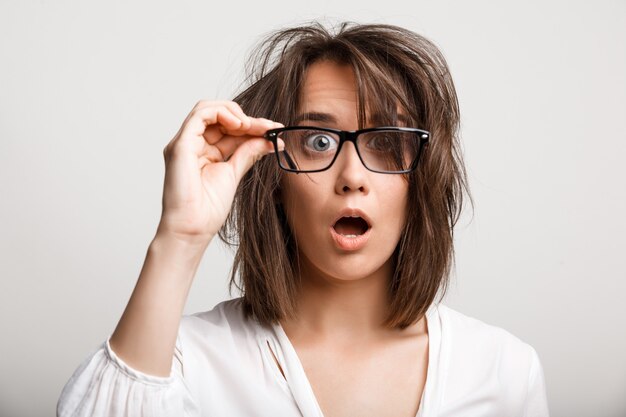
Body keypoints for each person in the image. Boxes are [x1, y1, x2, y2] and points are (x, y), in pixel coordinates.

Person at [56, 21, 550, 417]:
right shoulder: (179, 359)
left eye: (385, 141)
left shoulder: (503, 371)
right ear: (272, 172)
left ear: (421, 179)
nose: (352, 176)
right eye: (318, 141)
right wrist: (180, 235)